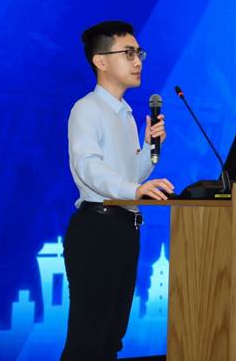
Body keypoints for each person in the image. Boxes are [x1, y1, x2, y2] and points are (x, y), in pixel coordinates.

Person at [61, 20, 174, 360]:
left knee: (111, 339)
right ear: (101, 61)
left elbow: (130, 176)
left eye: (139, 53)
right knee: (87, 340)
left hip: (125, 228)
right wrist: (134, 188)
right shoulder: (86, 109)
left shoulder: (124, 114)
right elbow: (89, 167)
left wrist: (149, 147)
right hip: (97, 229)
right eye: (128, 53)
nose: (138, 61)